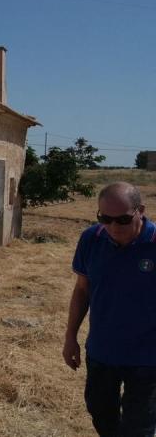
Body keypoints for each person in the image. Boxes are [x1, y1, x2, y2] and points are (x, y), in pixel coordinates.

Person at [63, 182, 156, 436]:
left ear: (141, 211)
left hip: (148, 358)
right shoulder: (91, 239)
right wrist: (71, 337)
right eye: (105, 218)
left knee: (138, 427)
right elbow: (82, 290)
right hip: (103, 352)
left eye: (123, 219)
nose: (114, 227)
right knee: (101, 414)